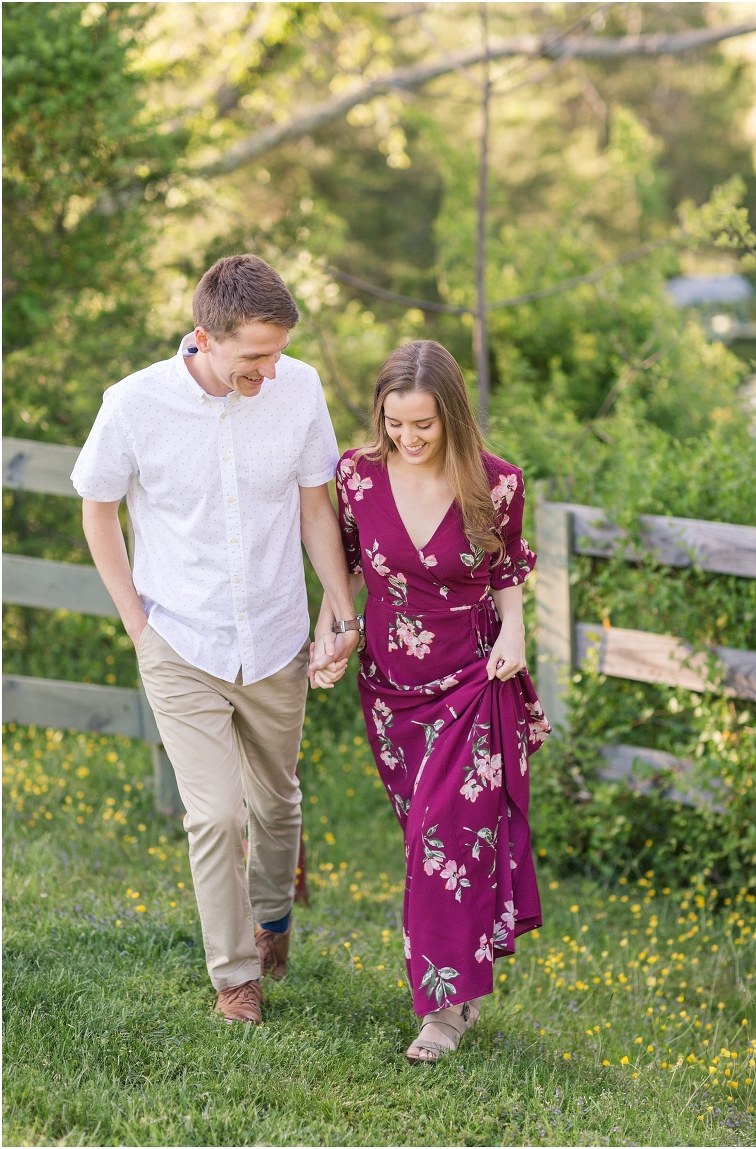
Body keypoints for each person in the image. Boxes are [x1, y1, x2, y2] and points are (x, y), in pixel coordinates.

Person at [71, 254, 359, 1024]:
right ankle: (237, 977)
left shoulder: (297, 386)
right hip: (178, 636)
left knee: (276, 801)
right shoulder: (132, 405)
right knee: (215, 814)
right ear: (204, 337)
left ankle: (273, 920)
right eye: (254, 357)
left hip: (273, 634)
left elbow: (313, 507)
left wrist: (340, 604)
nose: (271, 369)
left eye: (277, 352)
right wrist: (138, 624)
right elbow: (97, 509)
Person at [312, 340, 551, 1062]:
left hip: (475, 681)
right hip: (391, 691)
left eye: (424, 425)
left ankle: (442, 1012)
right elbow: (347, 568)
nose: (408, 439)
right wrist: (331, 633)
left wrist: (515, 630)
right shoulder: (355, 475)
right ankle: (464, 988)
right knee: (431, 840)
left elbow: (507, 568)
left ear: (451, 415)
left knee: (444, 839)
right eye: (395, 424)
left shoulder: (497, 482)